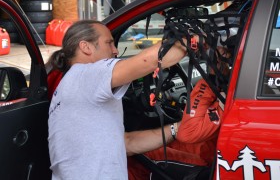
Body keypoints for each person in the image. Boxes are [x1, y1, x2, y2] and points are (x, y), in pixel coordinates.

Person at [47, 19, 189, 180]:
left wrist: (177, 128)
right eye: (109, 43)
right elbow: (149, 61)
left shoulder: (73, 83)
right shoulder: (86, 74)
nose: (115, 51)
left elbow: (126, 143)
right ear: (86, 47)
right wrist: (192, 38)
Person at [128, 45, 231, 180]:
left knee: (142, 156)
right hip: (211, 145)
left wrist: (211, 78)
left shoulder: (230, 92)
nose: (212, 59)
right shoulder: (237, 85)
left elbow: (188, 132)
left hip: (209, 162)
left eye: (219, 56)